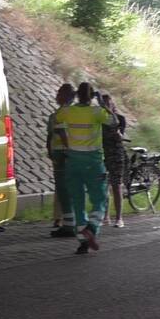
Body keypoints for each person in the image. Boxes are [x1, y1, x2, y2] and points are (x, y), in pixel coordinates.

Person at [54, 82, 117, 254]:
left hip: (72, 163)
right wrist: (103, 105)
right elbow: (114, 121)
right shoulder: (97, 112)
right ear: (92, 96)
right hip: (93, 163)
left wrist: (70, 101)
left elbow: (57, 116)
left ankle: (82, 242)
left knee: (77, 202)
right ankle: (92, 227)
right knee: (100, 200)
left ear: (77, 95)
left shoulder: (68, 111)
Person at [46, 83, 76, 237]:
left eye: (59, 92)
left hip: (62, 154)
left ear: (66, 95)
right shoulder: (70, 111)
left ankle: (69, 226)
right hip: (63, 153)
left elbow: (62, 132)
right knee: (65, 190)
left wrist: (67, 151)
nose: (57, 94)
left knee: (64, 190)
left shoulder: (63, 112)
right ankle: (70, 223)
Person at [101, 93, 127, 228]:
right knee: (103, 187)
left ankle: (119, 218)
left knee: (116, 186)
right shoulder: (99, 119)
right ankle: (105, 216)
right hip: (102, 154)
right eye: (103, 103)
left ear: (112, 104)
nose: (105, 106)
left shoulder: (120, 119)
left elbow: (120, 136)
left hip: (116, 154)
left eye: (107, 103)